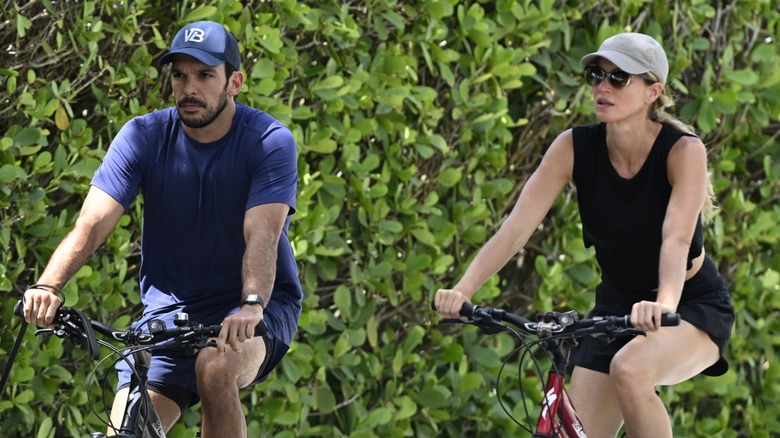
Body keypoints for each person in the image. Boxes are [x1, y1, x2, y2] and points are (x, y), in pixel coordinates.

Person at [434, 32, 734, 437]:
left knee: (630, 369)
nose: (603, 87)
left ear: (653, 91)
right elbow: (516, 229)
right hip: (615, 307)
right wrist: (463, 290)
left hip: (689, 304)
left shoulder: (683, 151)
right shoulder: (573, 146)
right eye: (597, 75)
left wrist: (662, 304)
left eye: (619, 78)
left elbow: (676, 237)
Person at [22, 21, 302, 437]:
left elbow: (262, 232)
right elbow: (93, 222)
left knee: (214, 365)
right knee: (125, 433)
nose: (190, 88)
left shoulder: (268, 141)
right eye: (179, 75)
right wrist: (49, 285)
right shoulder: (143, 136)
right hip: (169, 316)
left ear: (235, 82)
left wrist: (252, 303)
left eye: (205, 75)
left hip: (253, 309)